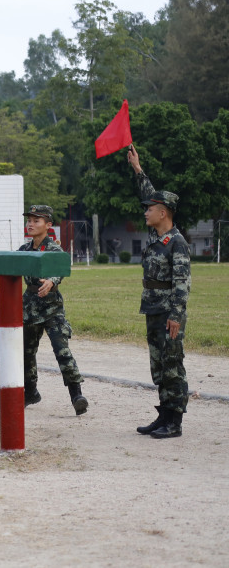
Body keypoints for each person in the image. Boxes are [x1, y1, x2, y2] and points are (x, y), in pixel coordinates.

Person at [0, 206, 88, 415]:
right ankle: (31, 392)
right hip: (29, 307)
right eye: (29, 220)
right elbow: (10, 271)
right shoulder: (24, 249)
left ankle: (76, 395)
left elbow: (59, 271)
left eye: (37, 221)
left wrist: (52, 282)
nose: (31, 224)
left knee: (62, 352)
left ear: (48, 225)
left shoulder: (54, 249)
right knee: (26, 354)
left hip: (52, 308)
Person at [127, 145, 191, 439]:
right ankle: (163, 416)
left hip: (168, 313)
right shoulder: (157, 235)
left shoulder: (177, 243)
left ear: (162, 213)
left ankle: (174, 422)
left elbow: (182, 284)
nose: (145, 212)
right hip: (153, 309)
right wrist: (138, 168)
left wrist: (176, 316)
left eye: (149, 209)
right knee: (158, 366)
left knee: (172, 366)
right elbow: (150, 191)